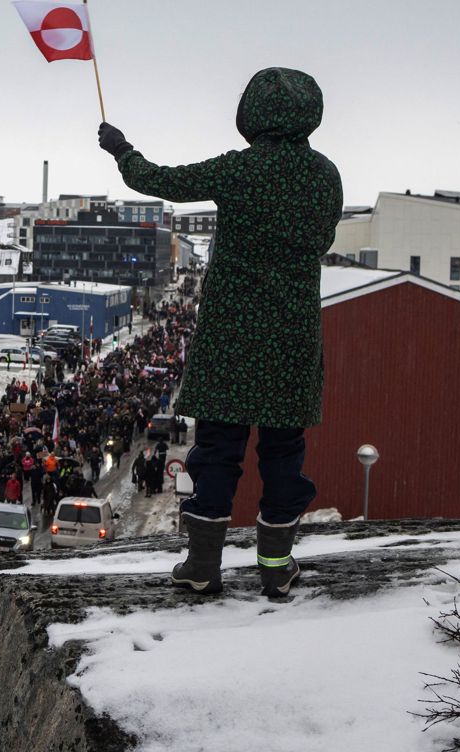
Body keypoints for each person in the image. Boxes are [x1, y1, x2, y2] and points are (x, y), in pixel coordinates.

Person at [99, 67, 341, 597]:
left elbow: (158, 181)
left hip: (231, 330)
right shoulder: (325, 175)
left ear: (251, 113)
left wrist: (121, 150)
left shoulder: (238, 171)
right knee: (284, 453)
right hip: (292, 332)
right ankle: (276, 566)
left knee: (217, 450)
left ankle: (203, 566)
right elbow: (320, 241)